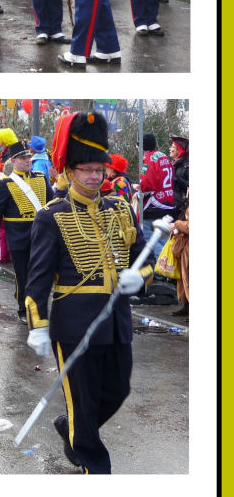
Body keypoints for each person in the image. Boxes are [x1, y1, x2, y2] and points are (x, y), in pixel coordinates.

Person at [25, 110, 151, 474]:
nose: (96, 177)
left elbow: (144, 256)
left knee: (116, 391)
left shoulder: (121, 209)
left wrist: (138, 277)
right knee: (83, 401)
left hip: (116, 322)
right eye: (88, 170)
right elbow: (38, 278)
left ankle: (72, 429)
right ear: (70, 172)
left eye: (100, 170)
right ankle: (95, 469)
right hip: (74, 324)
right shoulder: (52, 216)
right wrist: (38, 323)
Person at [0, 141, 52, 322]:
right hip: (18, 236)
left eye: (29, 157)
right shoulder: (5, 184)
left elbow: (52, 204)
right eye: (23, 158)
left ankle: (38, 306)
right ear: (14, 161)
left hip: (41, 235)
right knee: (23, 275)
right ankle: (23, 309)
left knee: (41, 273)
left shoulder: (40, 178)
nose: (28, 160)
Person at [140, 133, 175, 265]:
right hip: (168, 202)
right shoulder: (163, 156)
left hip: (154, 205)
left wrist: (138, 190)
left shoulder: (148, 158)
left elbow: (148, 185)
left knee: (151, 240)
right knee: (164, 240)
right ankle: (169, 268)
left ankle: (163, 270)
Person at [169, 135, 189, 213]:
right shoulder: (172, 164)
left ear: (179, 150)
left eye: (173, 147)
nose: (170, 149)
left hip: (181, 207)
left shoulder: (187, 165)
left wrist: (176, 179)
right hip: (171, 204)